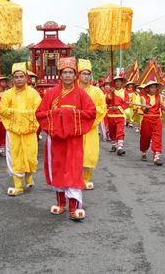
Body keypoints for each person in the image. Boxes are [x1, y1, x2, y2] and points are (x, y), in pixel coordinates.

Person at [36, 57, 96, 221]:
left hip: (74, 140)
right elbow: (40, 114)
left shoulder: (81, 94)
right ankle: (61, 203)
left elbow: (91, 113)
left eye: (71, 72)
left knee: (74, 170)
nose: (68, 75)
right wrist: (57, 115)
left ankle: (73, 207)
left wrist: (67, 115)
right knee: (58, 169)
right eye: (65, 72)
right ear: (60, 75)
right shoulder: (51, 93)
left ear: (74, 75)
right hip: (56, 140)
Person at [0, 63, 42, 196]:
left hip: (29, 131)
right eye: (16, 77)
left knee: (30, 155)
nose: (19, 79)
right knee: (14, 156)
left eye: (21, 76)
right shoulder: (7, 95)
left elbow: (39, 110)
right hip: (13, 131)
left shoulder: (34, 94)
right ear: (13, 79)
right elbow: (1, 109)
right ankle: (18, 185)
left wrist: (23, 115)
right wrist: (19, 113)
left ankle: (29, 177)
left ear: (26, 77)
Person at [77, 59, 107, 190]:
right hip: (75, 128)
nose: (86, 76)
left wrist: (90, 119)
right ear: (78, 74)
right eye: (83, 73)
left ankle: (87, 178)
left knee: (89, 153)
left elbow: (102, 108)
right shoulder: (72, 90)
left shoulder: (97, 91)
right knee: (76, 153)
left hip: (90, 128)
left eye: (88, 74)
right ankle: (76, 178)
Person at [139, 81, 165, 165]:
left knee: (157, 138)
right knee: (145, 137)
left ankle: (156, 157)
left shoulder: (160, 97)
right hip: (147, 119)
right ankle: (144, 151)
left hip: (157, 119)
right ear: (148, 89)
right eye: (151, 87)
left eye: (155, 87)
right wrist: (146, 108)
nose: (153, 89)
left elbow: (164, 107)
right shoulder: (144, 97)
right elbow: (144, 110)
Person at [105, 75, 129, 155]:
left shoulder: (125, 92)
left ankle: (120, 147)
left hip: (120, 114)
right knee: (112, 131)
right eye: (116, 81)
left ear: (122, 83)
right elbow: (107, 101)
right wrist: (111, 94)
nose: (118, 83)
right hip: (111, 114)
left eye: (120, 81)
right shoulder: (111, 91)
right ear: (114, 83)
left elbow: (126, 103)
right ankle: (114, 145)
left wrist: (118, 107)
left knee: (120, 131)